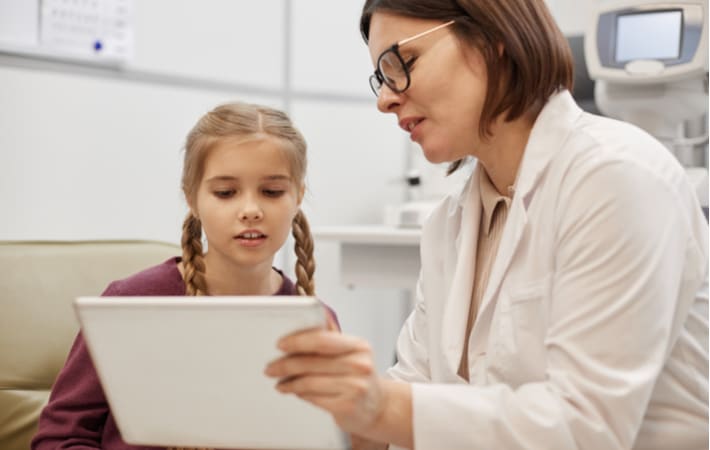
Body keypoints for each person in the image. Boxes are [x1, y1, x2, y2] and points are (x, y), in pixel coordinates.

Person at [264, 1, 709, 449]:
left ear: (494, 40)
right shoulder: (449, 224)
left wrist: (379, 407)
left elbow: (583, 429)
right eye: (381, 78)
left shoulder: (616, 176)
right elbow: (413, 387)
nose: (385, 99)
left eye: (403, 63)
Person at [32, 102, 338, 450]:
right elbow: (60, 437)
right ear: (191, 197)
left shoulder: (318, 322)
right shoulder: (131, 303)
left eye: (272, 192)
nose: (250, 210)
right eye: (225, 193)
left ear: (298, 195)